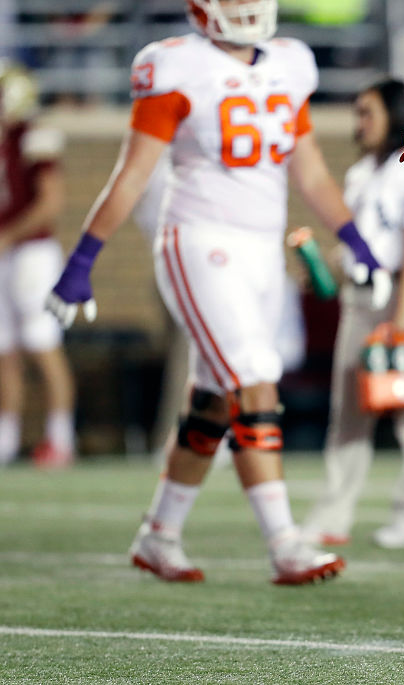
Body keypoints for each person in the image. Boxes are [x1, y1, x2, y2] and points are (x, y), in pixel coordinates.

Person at [44, 0, 362, 585]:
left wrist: (352, 236)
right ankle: (286, 542)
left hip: (262, 251)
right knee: (253, 376)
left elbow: (310, 169)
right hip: (199, 242)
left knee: (215, 399)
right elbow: (135, 171)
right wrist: (83, 259)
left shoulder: (291, 62)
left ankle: (159, 535)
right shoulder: (174, 65)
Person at [301, 78, 404, 550]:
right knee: (347, 409)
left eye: (368, 112)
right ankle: (333, 514)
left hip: (403, 296)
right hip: (361, 298)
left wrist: (402, 313)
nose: (359, 122)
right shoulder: (361, 172)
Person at [0, 59, 77, 469]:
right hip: (6, 251)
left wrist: (7, 236)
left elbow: (50, 201)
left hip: (31, 251)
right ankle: (6, 440)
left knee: (41, 342)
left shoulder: (33, 135)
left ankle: (60, 437)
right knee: (3, 348)